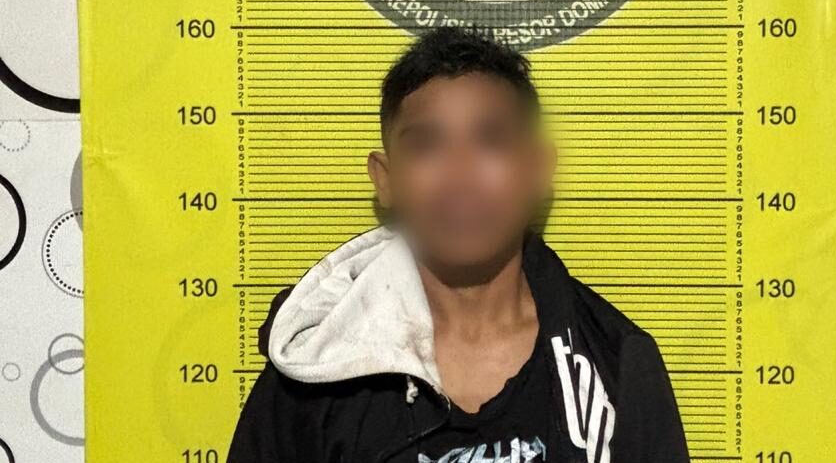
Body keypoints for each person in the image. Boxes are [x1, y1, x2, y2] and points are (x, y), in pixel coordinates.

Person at [226, 25, 690, 463]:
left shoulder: (617, 362)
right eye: (426, 145)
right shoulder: (314, 368)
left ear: (536, 169)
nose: (460, 177)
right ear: (386, 180)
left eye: (491, 141)